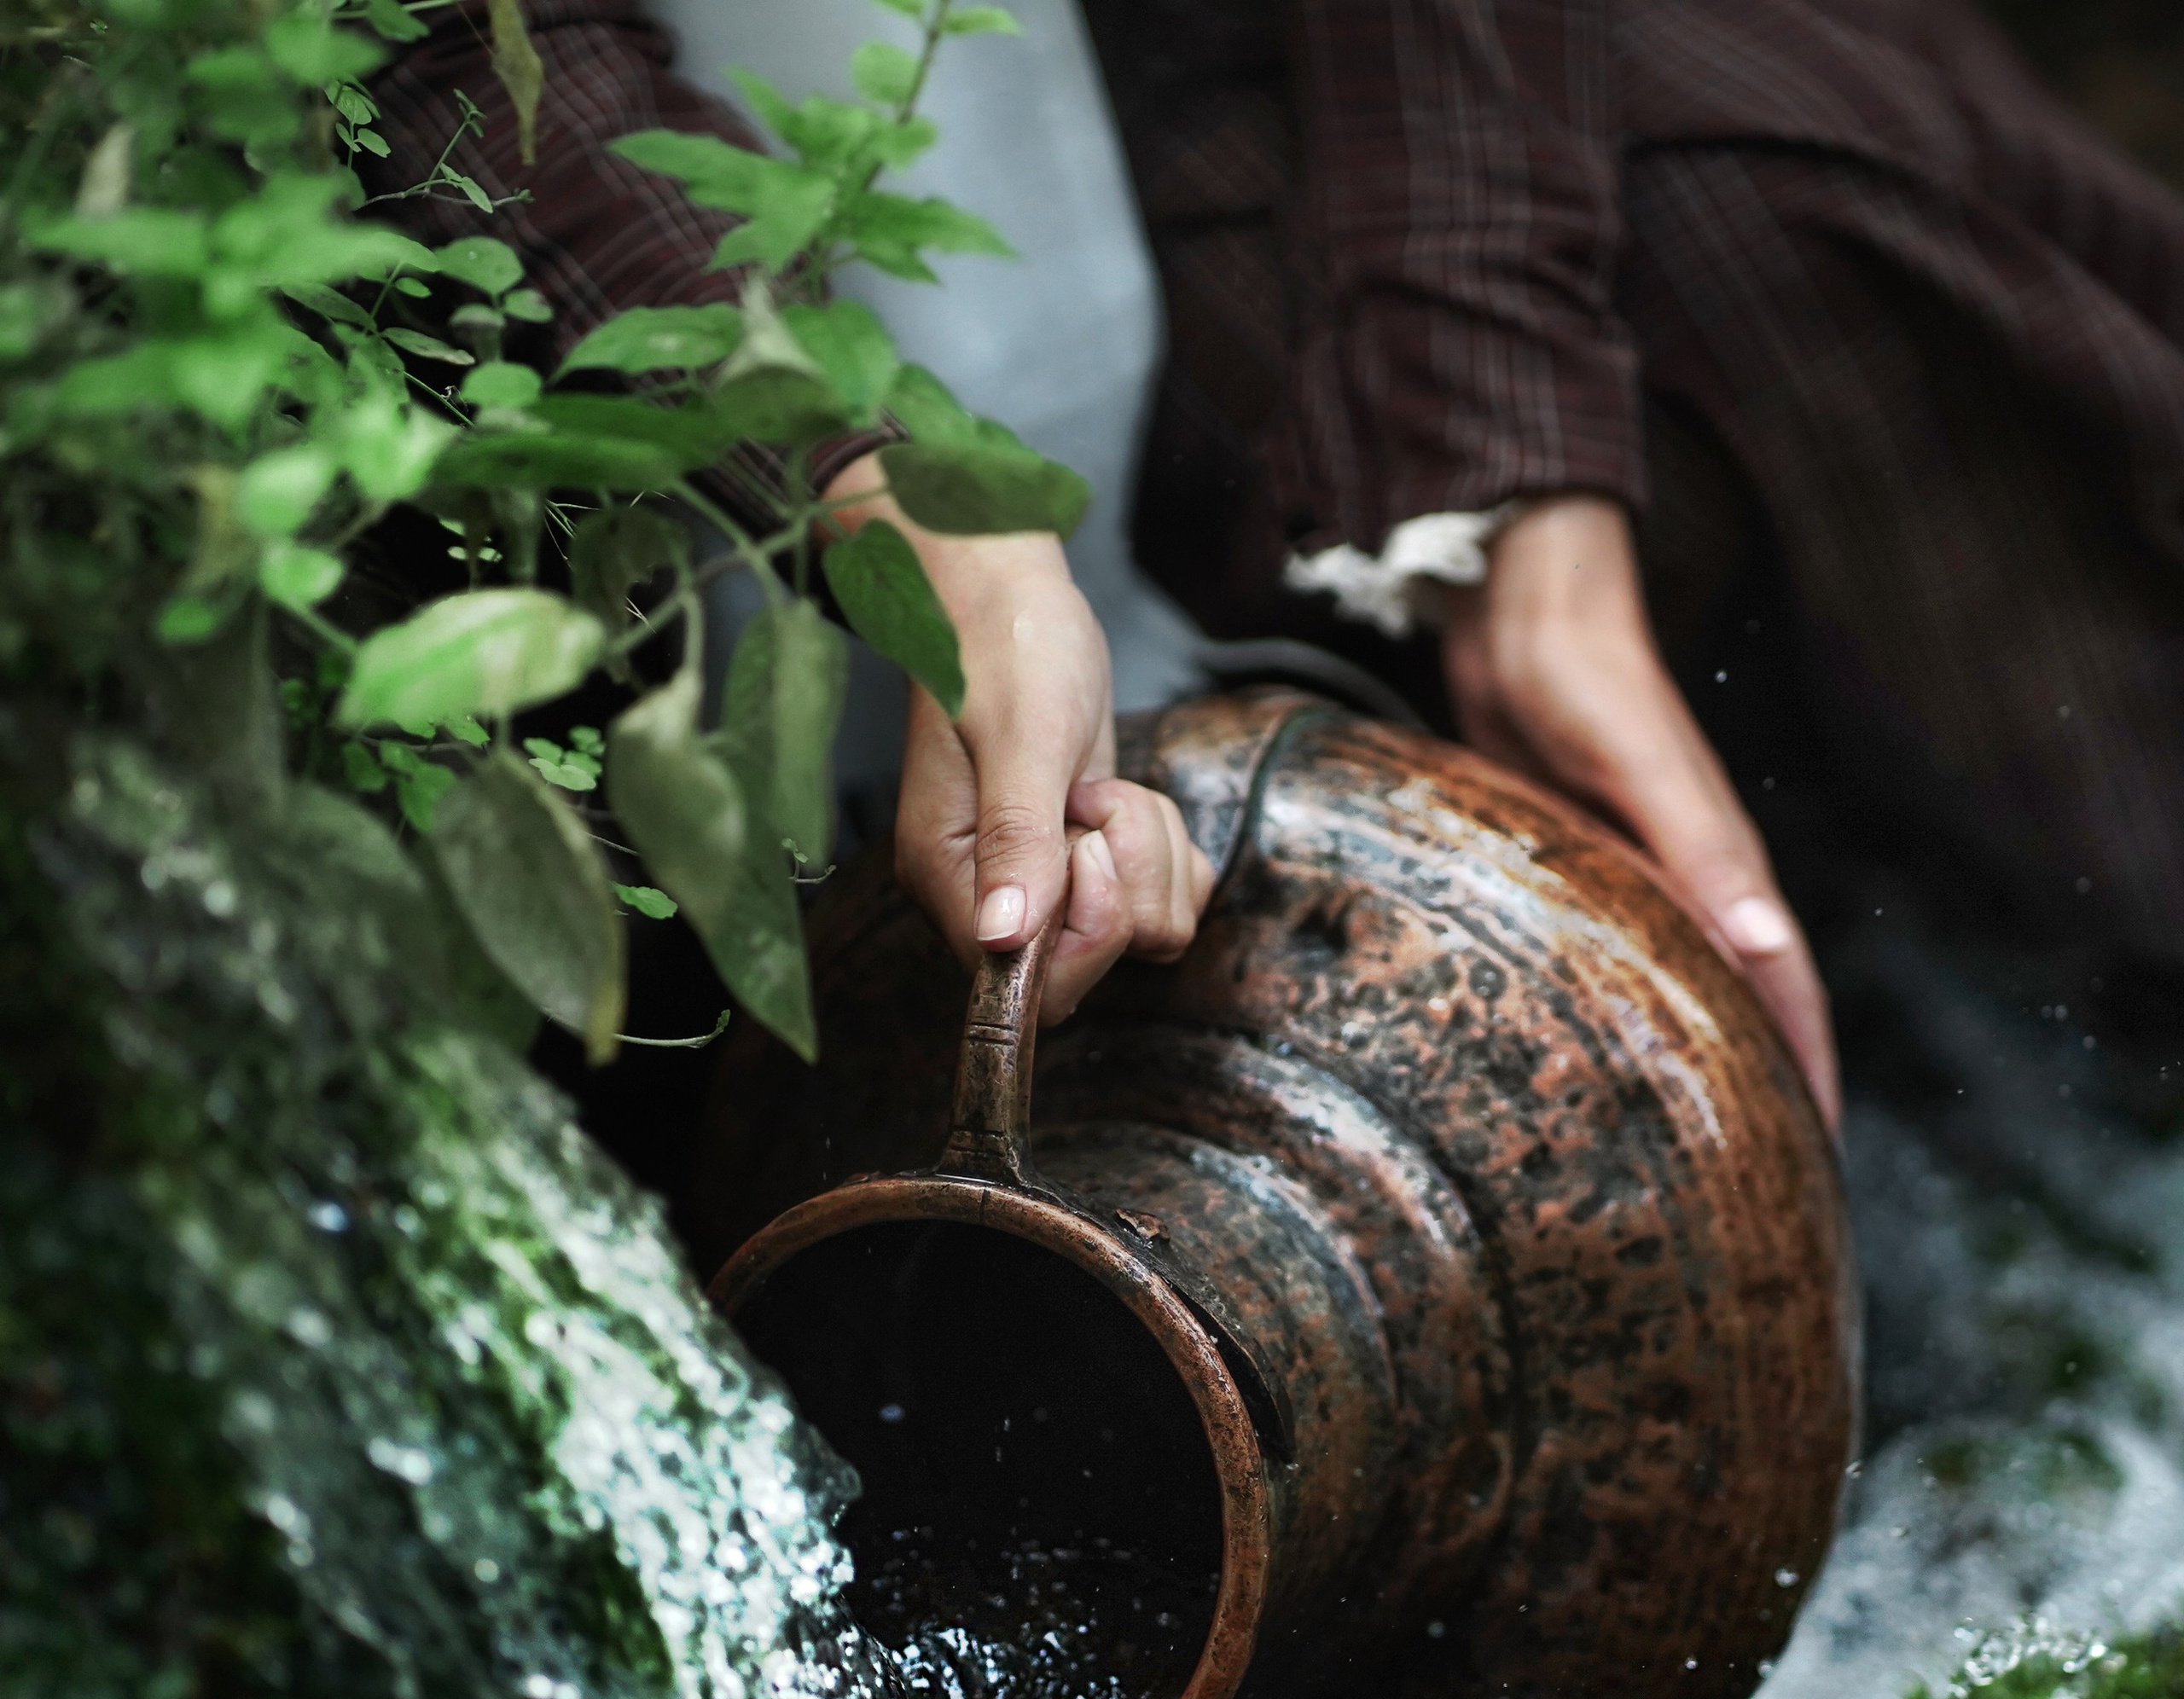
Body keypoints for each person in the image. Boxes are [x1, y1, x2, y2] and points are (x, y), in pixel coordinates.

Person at [369, 0, 2184, 1131]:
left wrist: (1512, 500)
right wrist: (892, 508)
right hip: (694, 251)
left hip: (1218, 74)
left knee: (1763, 226)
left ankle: (2043, 985)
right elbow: (446, 48)